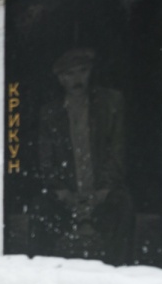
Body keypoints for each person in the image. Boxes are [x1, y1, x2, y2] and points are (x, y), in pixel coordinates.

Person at [37, 47, 133, 263]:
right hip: (67, 195)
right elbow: (46, 160)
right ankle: (40, 277)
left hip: (103, 193)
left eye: (82, 71)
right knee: (41, 210)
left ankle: (122, 273)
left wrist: (102, 192)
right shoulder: (51, 114)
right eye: (69, 74)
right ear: (60, 79)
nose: (77, 79)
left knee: (123, 206)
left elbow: (118, 151)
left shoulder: (111, 104)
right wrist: (62, 192)